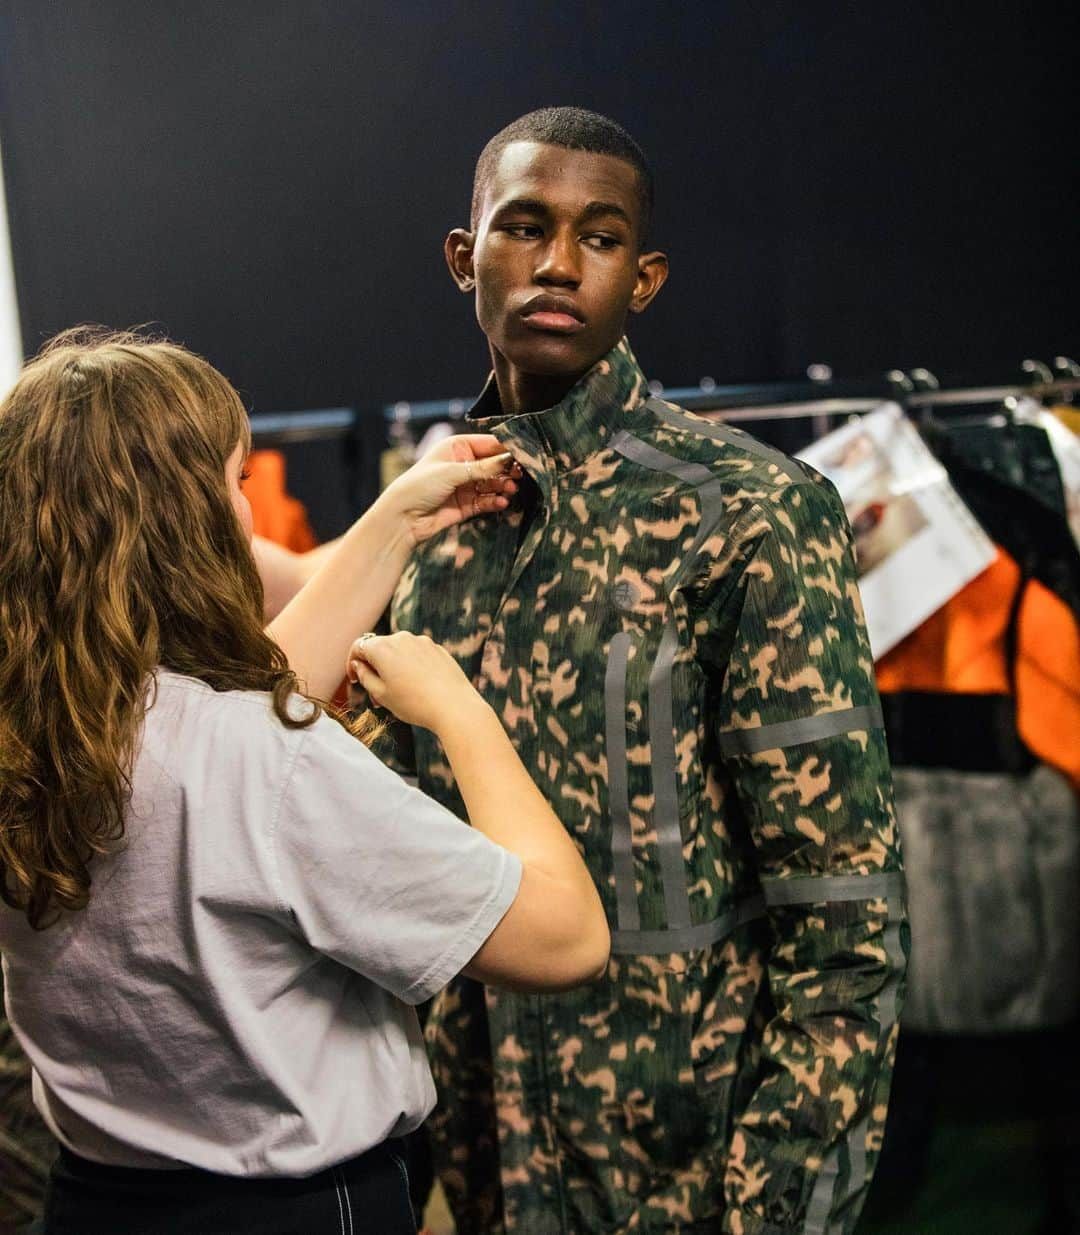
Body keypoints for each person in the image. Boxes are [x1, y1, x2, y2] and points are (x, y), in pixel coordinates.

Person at [389, 107, 908, 1234]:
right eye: (524, 227)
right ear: (462, 255)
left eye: (602, 237)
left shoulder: (749, 514)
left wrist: (777, 1210)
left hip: (690, 1180)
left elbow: (844, 918)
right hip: (481, 1172)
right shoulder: (427, 533)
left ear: (647, 277)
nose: (560, 264)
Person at [0, 327, 610, 1234]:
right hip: (297, 1211)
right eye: (235, 484)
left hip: (97, 1202)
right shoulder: (262, 761)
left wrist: (400, 515)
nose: (247, 515)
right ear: (184, 518)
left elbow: (201, 735)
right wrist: (460, 711)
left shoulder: (41, 727)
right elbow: (565, 938)